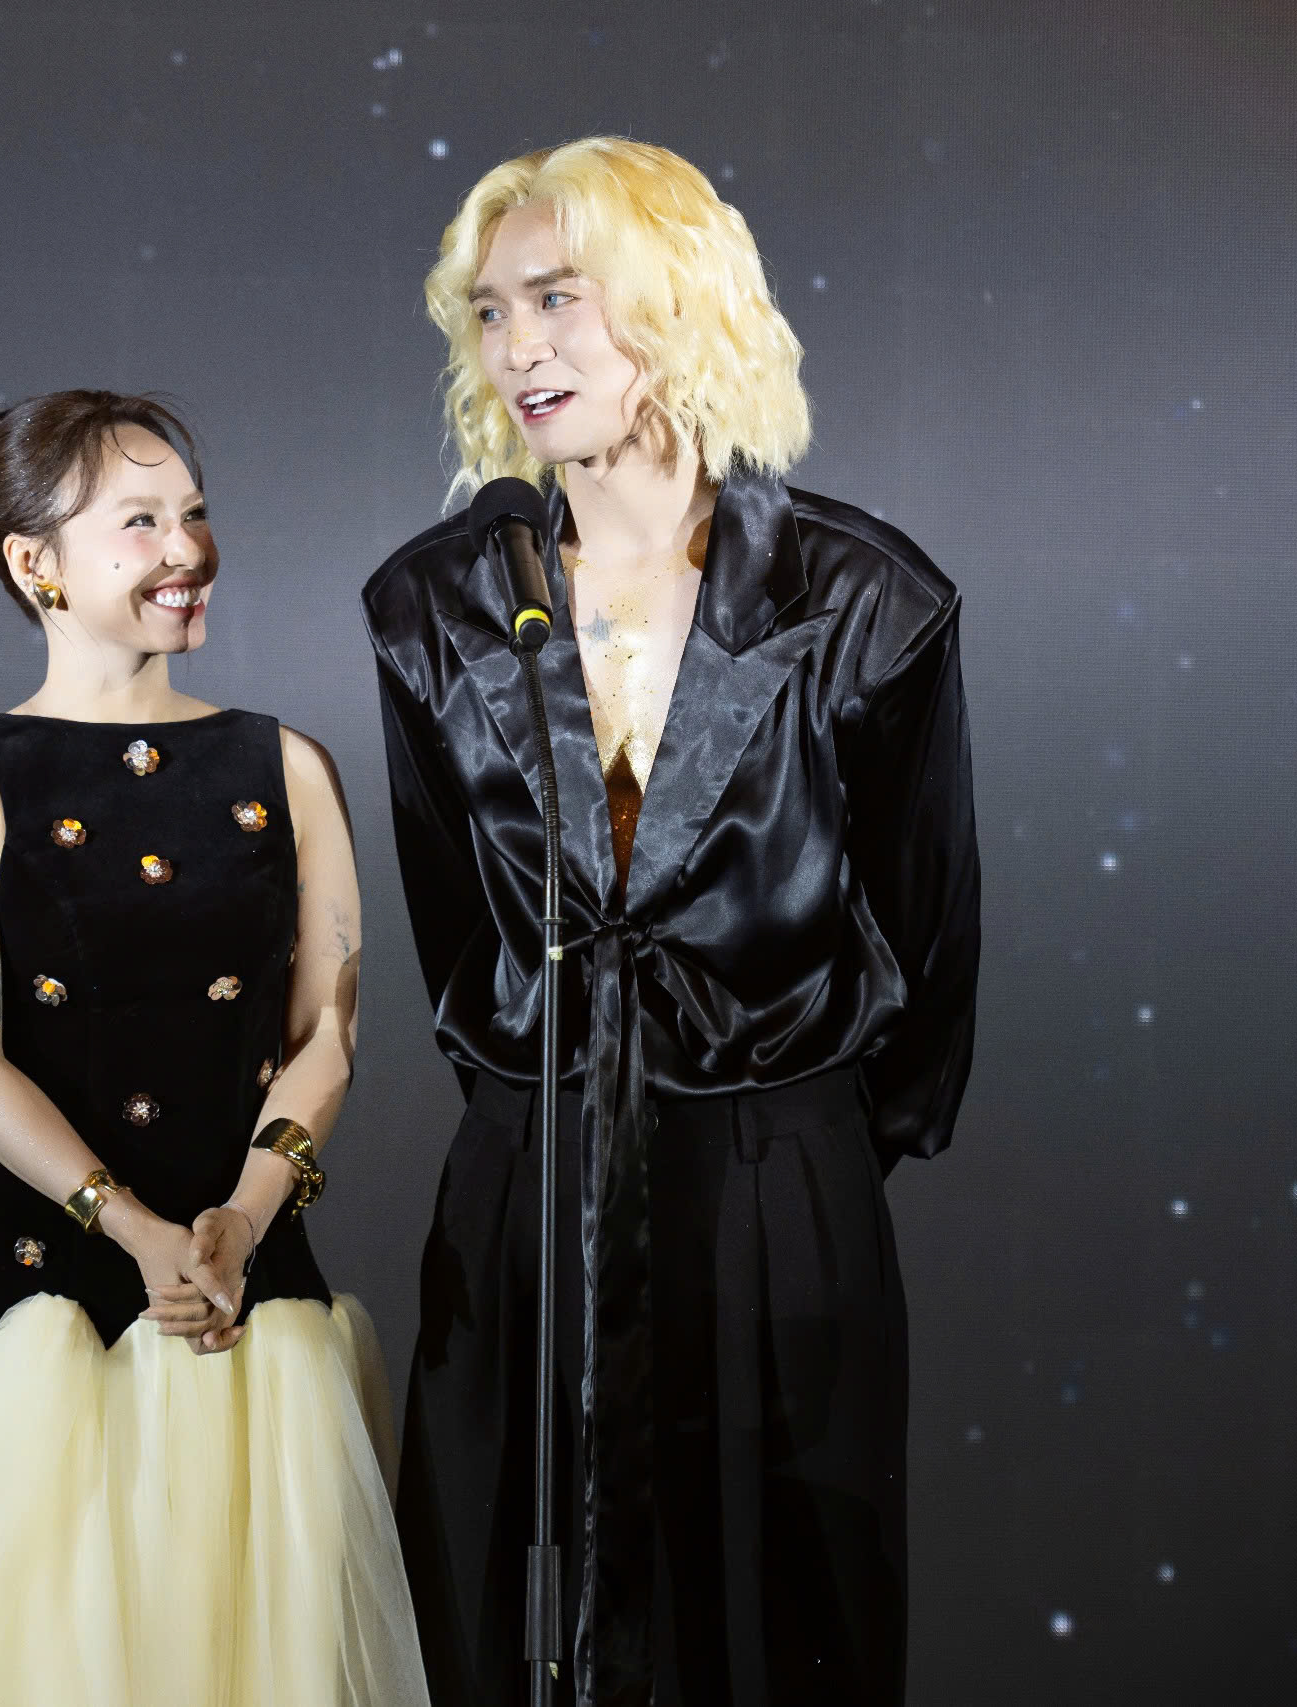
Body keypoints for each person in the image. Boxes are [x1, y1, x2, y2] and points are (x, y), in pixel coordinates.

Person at [362, 139, 981, 1705]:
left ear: (678, 301)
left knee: (781, 1620)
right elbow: (453, 920)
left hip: (779, 1171)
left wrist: (797, 1141)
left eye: (559, 298)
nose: (518, 346)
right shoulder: (433, 602)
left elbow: (928, 929)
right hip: (531, 1171)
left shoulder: (864, 599)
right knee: (502, 1604)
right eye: (490, 311)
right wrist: (542, 1105)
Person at [0, 391, 426, 1705]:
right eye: (141, 522)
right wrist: (141, 1232)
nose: (188, 550)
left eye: (195, 514)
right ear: (33, 561)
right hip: (43, 1312)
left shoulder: (289, 767)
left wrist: (238, 1224)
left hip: (246, 1303)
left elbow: (326, 1040)